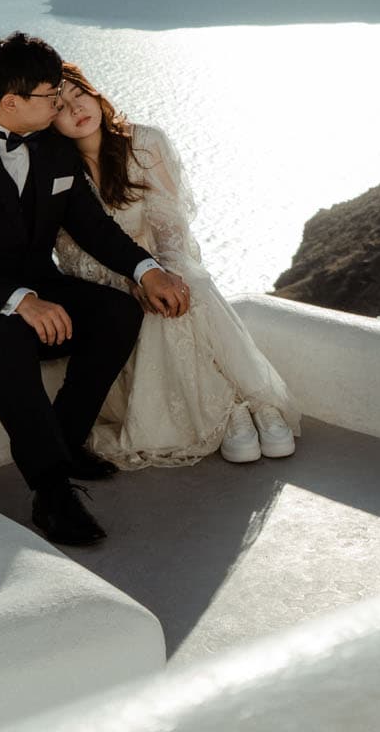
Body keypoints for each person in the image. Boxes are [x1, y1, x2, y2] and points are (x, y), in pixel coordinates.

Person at [0, 32, 193, 547]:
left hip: (41, 295)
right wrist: (21, 301)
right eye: (49, 94)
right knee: (11, 335)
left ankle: (65, 441)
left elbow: (94, 228)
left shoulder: (55, 152)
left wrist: (146, 269)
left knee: (118, 312)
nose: (59, 101)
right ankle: (52, 492)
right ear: (11, 102)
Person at [49, 61, 302, 467]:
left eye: (80, 94)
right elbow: (75, 254)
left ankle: (256, 404)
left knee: (186, 290)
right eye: (60, 106)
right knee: (149, 309)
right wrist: (132, 281)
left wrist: (158, 275)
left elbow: (170, 226)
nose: (76, 108)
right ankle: (228, 410)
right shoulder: (57, 170)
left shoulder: (145, 142)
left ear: (95, 94)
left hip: (162, 264)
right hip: (108, 284)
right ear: (48, 120)